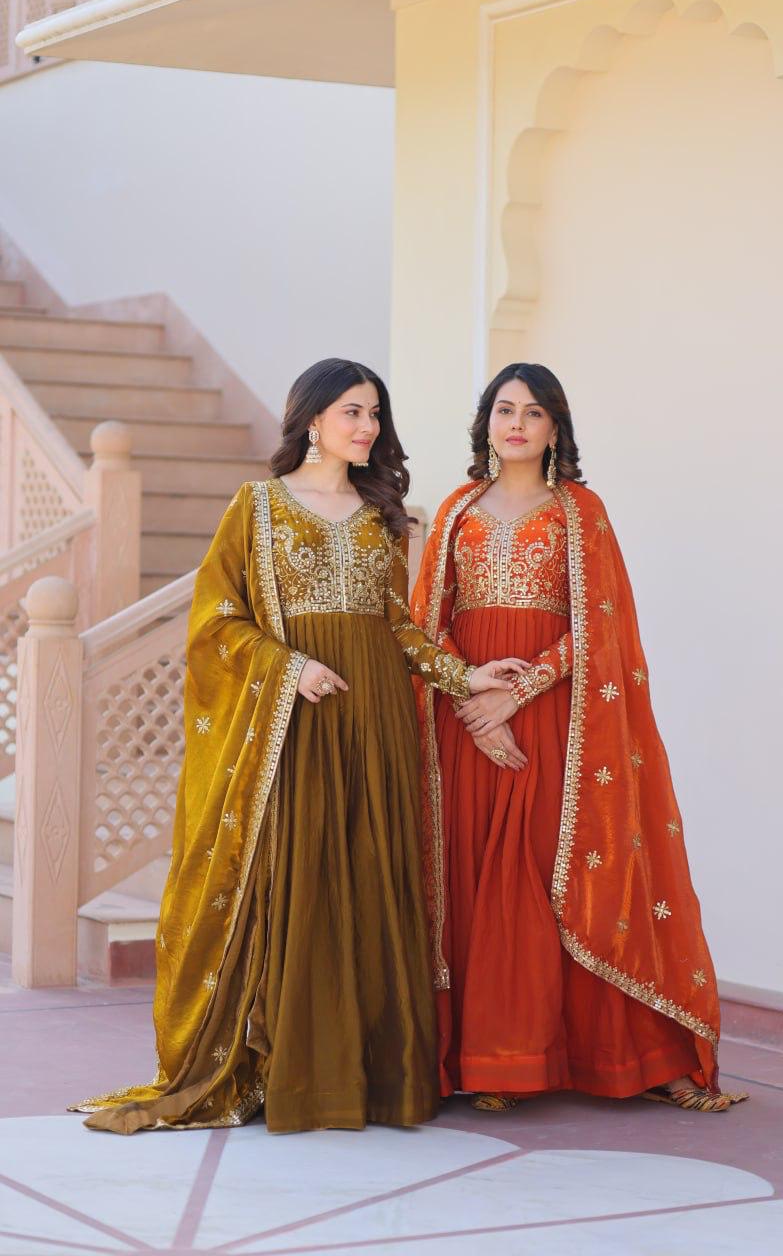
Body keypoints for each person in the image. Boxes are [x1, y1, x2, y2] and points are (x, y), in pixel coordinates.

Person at [74, 358, 523, 1134]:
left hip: (376, 715)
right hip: (296, 717)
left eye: (375, 414)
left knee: (369, 873)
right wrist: (289, 667)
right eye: (352, 412)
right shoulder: (257, 507)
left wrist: (463, 673)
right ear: (311, 419)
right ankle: (292, 1070)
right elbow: (215, 623)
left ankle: (370, 1077)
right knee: (302, 876)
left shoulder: (385, 512)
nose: (367, 428)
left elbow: (399, 626)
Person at [411, 362, 747, 1114]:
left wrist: (517, 692)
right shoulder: (455, 510)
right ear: (485, 424)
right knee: (471, 876)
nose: (517, 423)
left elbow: (604, 626)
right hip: (464, 714)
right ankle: (486, 1058)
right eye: (504, 409)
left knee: (540, 875)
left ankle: (571, 1053)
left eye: (534, 412)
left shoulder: (579, 511)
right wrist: (472, 694)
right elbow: (423, 623)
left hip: (554, 715)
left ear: (556, 428)